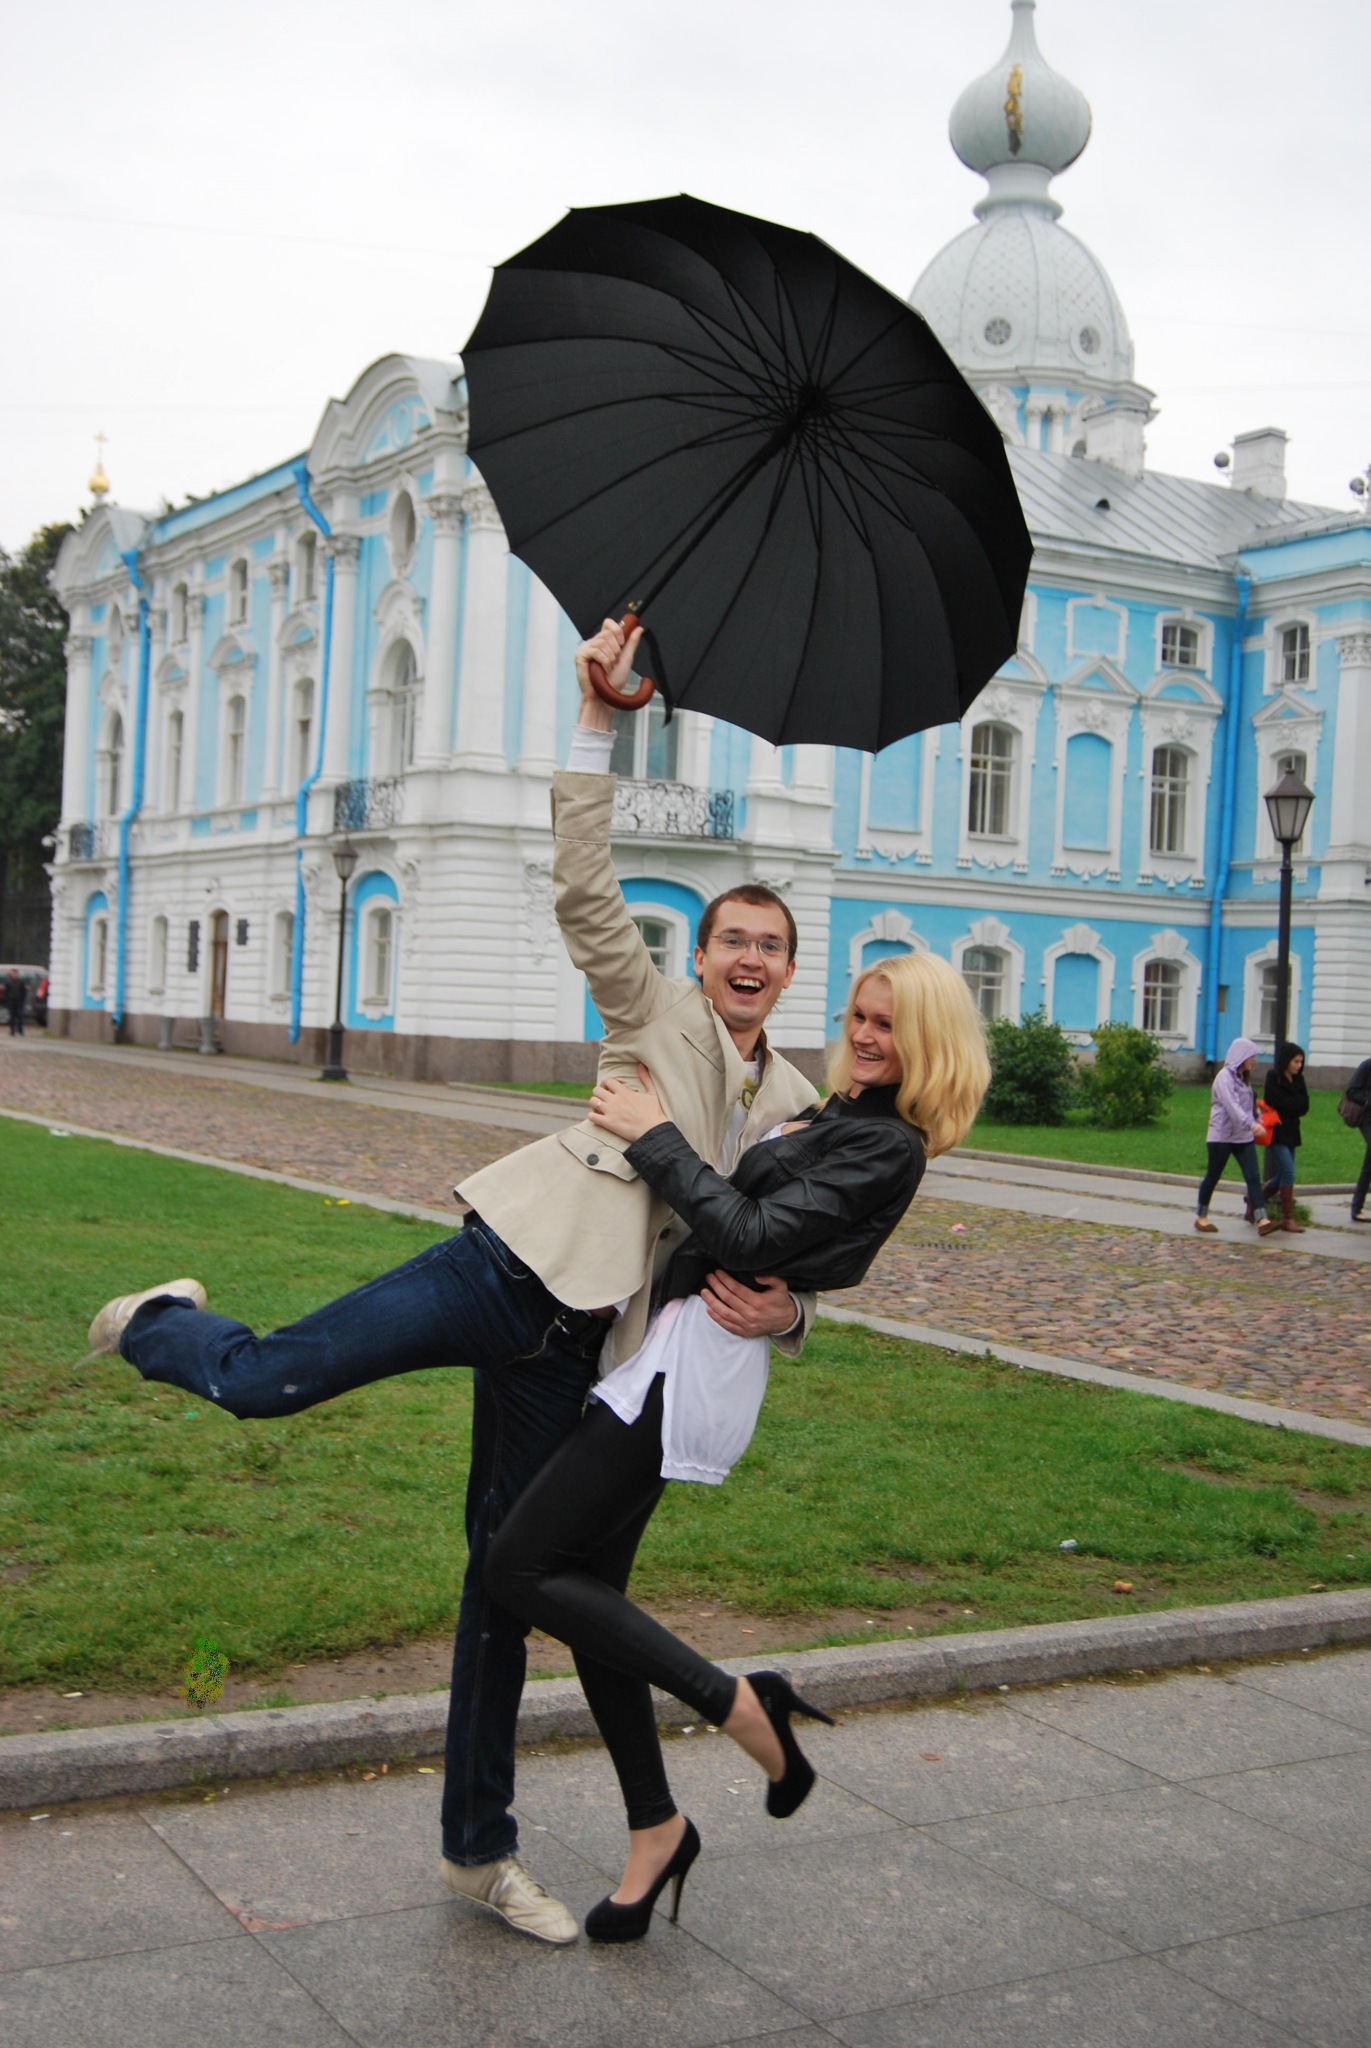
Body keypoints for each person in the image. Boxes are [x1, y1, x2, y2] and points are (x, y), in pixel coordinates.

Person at [86, 617, 817, 1946]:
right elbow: (584, 884)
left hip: (575, 1350)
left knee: (503, 1586)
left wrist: (794, 1309)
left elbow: (807, 1238)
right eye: (731, 939)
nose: (750, 958)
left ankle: (478, 1851)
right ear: (703, 955)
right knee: (270, 1382)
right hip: (502, 1265)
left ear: (788, 965)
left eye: (770, 942)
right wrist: (596, 725)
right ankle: (161, 1324)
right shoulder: (651, 1009)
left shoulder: (794, 1104)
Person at [485, 950, 991, 1941]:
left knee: (520, 1564)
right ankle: (656, 1829)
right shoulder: (840, 1113)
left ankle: (739, 1702)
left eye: (888, 1023)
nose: (865, 1035)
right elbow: (784, 1244)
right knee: (590, 1597)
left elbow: (754, 1235)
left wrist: (653, 1136)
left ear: (929, 1039)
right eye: (859, 1015)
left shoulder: (891, 1144)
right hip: (673, 1340)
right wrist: (791, 1297)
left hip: (694, 1364)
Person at [1194, 1036, 1279, 1237]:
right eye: (1252, 1056)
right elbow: (1232, 1106)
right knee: (1213, 1176)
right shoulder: (1224, 1077)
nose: (1254, 1060)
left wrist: (1258, 1120)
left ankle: (1262, 1219)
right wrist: (1252, 1125)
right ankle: (1201, 1216)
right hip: (1221, 1137)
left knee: (1253, 1177)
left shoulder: (1243, 1079)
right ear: (1241, 1056)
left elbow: (1248, 1106)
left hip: (1242, 1137)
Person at [1261, 1041, 1310, 1234]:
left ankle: (1255, 1199)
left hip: (1292, 1131)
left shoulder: (1299, 1079)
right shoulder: (1274, 1077)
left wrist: (1290, 1105)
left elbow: (1304, 1106)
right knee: (1289, 1171)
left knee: (1283, 1174)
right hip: (1276, 1131)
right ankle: (1288, 1218)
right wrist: (1292, 1104)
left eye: (1301, 1062)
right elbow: (1273, 1100)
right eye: (1295, 1061)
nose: (1298, 1065)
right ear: (1286, 1061)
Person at [1347, 1054, 1371, 1223]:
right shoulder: (1367, 1066)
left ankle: (1356, 1207)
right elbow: (1352, 1091)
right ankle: (1356, 1207)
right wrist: (1368, 1101)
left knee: (1369, 1166)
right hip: (1367, 1119)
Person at [4, 967, 26, 1036]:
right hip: (11, 1001)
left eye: (15, 973)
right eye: (12, 974)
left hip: (19, 1001)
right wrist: (7, 1000)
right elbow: (6, 992)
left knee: (20, 1016)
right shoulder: (8, 982)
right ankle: (12, 1030)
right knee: (12, 1016)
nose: (14, 975)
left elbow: (23, 992)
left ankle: (20, 1030)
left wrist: (22, 1000)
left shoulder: (21, 982)